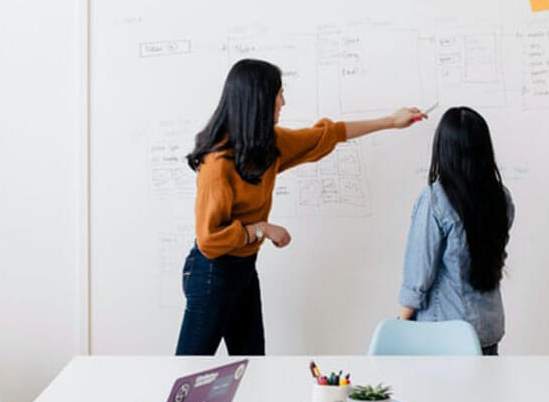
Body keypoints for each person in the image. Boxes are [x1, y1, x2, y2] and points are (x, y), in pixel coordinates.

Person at [177, 58, 426, 356]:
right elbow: (209, 240)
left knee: (252, 366)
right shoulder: (217, 165)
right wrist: (261, 229)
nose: (283, 102)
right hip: (210, 273)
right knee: (190, 373)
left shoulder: (266, 146)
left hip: (243, 270)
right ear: (258, 100)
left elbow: (327, 134)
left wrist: (391, 121)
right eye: (278, 94)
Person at [397, 107, 513, 355]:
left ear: (443, 148)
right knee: (482, 394)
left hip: (444, 333)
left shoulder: (435, 200)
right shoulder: (501, 197)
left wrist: (399, 324)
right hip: (488, 329)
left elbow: (419, 275)